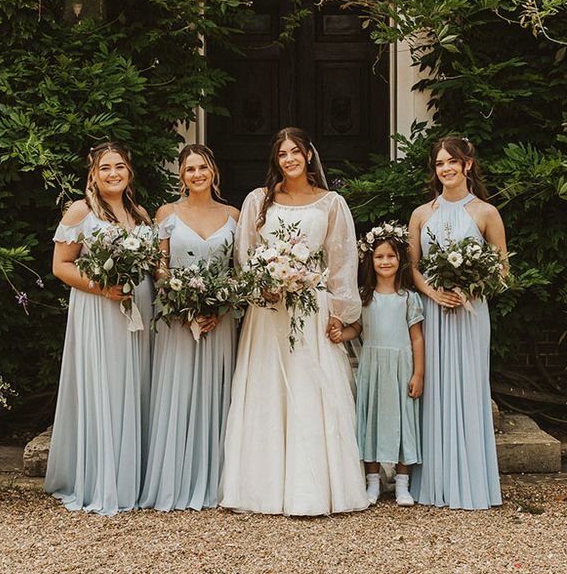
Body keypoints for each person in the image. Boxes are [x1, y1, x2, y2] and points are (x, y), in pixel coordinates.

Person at [219, 126, 369, 516]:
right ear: (276, 160)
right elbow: (245, 254)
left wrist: (340, 315)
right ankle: (263, 488)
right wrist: (262, 285)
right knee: (268, 389)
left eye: (295, 152)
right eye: (282, 154)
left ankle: (312, 489)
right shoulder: (259, 200)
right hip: (268, 311)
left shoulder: (331, 203)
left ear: (308, 155)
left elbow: (341, 261)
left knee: (309, 387)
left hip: (310, 306)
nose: (289, 159)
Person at [45, 141, 153, 515]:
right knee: (104, 385)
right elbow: (61, 266)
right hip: (98, 309)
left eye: (120, 167)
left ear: (129, 171)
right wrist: (103, 288)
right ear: (93, 173)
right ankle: (101, 480)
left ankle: (131, 478)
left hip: (136, 307)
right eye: (105, 168)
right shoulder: (81, 211)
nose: (113, 174)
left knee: (132, 383)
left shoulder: (139, 213)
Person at [408, 136, 507, 510]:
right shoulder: (421, 214)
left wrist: (471, 288)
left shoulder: (485, 212)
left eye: (451, 162)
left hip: (469, 313)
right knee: (434, 389)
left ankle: (472, 483)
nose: (445, 169)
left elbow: (502, 268)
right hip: (433, 312)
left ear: (467, 165)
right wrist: (434, 294)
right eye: (439, 164)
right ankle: (434, 482)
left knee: (467, 387)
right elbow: (413, 267)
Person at [139, 145, 240, 511]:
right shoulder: (167, 213)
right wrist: (180, 306)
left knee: (217, 392)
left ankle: (214, 480)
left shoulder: (233, 215)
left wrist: (220, 306)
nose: (197, 174)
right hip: (176, 320)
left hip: (219, 321)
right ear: (181, 176)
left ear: (213, 171)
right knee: (177, 391)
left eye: (202, 167)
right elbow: (159, 267)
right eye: (189, 169)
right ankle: (174, 481)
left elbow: (237, 271)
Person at [330, 225, 425, 506]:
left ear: (400, 260)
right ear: (370, 261)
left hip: (401, 366)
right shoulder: (364, 296)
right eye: (379, 257)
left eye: (391, 256)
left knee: (402, 421)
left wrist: (419, 373)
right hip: (373, 365)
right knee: (370, 420)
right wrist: (340, 334)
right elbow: (356, 328)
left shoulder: (408, 298)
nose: (385, 262)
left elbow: (417, 338)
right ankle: (372, 482)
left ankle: (402, 483)